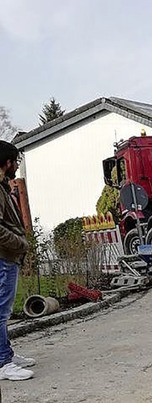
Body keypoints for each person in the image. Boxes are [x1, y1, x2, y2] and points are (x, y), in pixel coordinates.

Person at [0, 140, 35, 380]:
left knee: (4, 309)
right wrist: (20, 243)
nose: (16, 167)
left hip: (7, 257)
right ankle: (3, 362)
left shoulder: (3, 186)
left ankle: (7, 355)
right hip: (3, 257)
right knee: (0, 310)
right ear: (7, 162)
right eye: (15, 162)